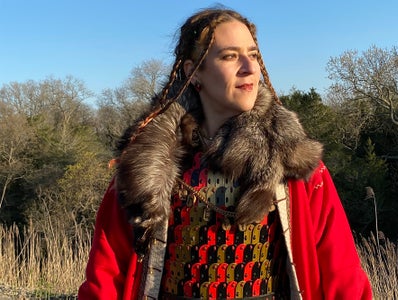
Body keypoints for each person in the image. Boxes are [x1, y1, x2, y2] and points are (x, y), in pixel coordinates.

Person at [78, 6, 372, 300]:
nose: (250, 67)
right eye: (230, 56)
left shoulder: (294, 159)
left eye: (253, 55)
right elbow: (106, 275)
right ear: (193, 72)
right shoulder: (145, 168)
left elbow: (342, 274)